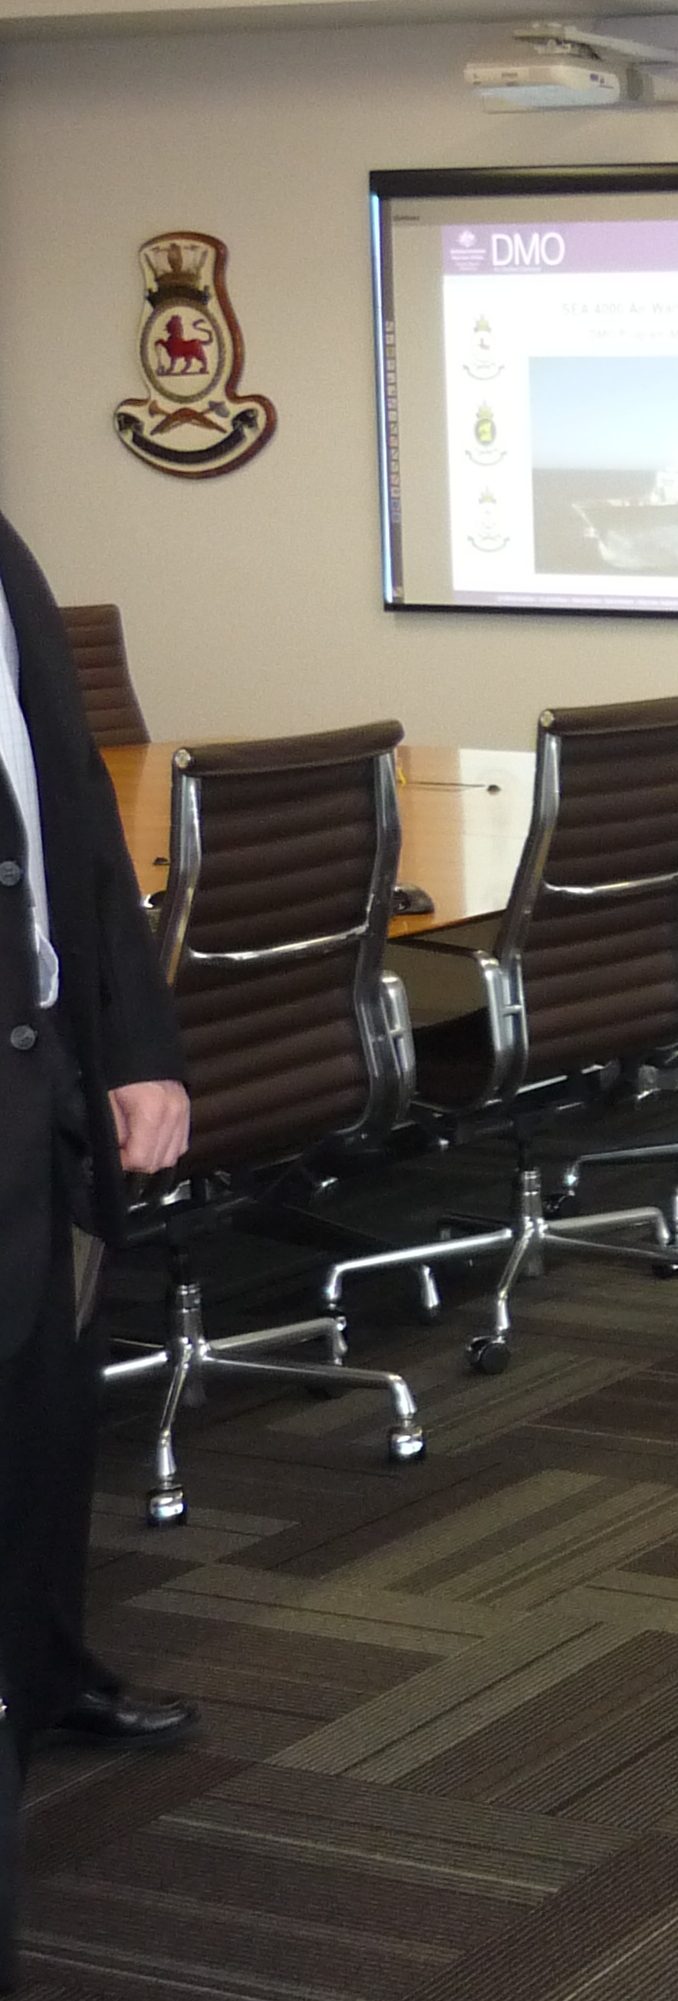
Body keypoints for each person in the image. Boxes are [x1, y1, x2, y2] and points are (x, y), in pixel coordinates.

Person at [2, 511, 199, 1971]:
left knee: (48, 1408)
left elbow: (69, 798)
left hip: (48, 1069)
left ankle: (45, 1665)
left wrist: (136, 1044)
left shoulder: (4, 552)